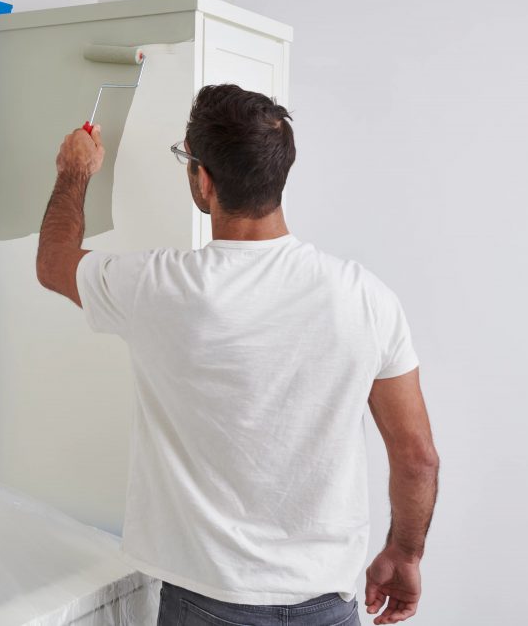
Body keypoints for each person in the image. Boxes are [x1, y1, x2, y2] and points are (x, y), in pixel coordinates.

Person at [35, 84, 439, 626]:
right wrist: (405, 553)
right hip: (327, 603)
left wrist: (74, 170)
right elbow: (417, 458)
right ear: (279, 174)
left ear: (203, 179)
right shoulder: (365, 297)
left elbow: (53, 260)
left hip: (206, 600)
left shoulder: (157, 287)